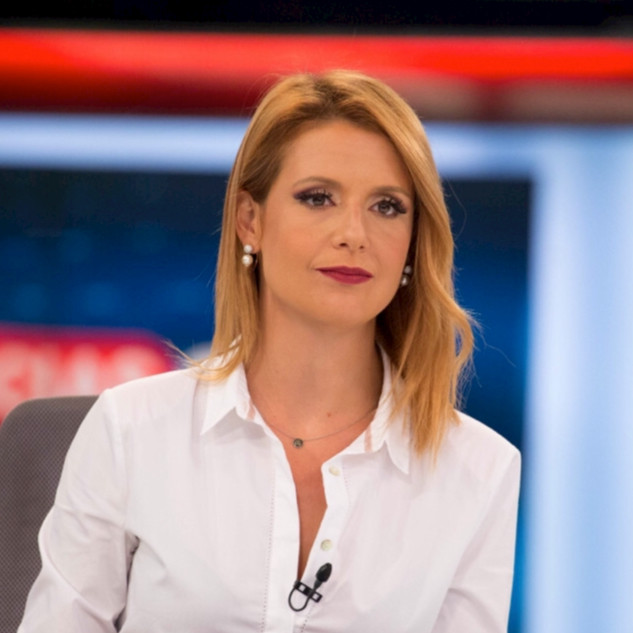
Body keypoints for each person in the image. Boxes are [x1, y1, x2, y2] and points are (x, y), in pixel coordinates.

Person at [18, 70, 520, 632]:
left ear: (413, 241)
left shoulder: (480, 469)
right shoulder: (130, 431)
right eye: (318, 198)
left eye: (387, 206)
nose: (354, 233)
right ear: (250, 221)